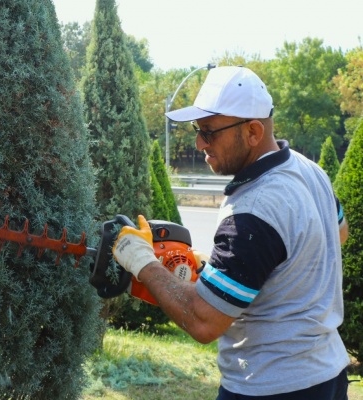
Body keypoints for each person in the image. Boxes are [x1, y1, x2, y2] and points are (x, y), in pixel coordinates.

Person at [112, 66, 350, 399]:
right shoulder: (309, 170)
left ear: (253, 131)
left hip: (271, 385)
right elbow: (338, 234)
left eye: (209, 132)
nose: (199, 143)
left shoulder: (254, 209)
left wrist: (143, 262)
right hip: (327, 373)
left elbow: (203, 322)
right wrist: (236, 271)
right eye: (198, 130)